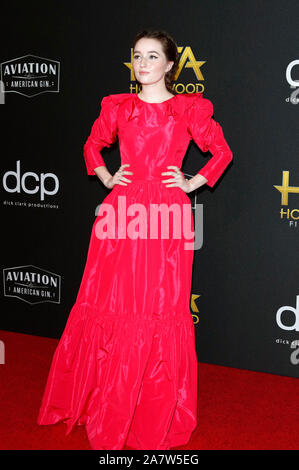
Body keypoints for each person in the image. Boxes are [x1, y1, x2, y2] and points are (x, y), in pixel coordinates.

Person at [37, 29, 233, 450]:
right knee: (112, 300)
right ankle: (106, 398)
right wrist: (108, 175)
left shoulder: (186, 110)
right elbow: (93, 144)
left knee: (158, 304)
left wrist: (192, 182)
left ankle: (149, 403)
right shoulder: (119, 107)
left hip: (166, 214)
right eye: (137, 57)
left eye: (151, 57)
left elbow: (222, 152)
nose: (142, 64)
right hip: (121, 213)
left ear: (169, 65)